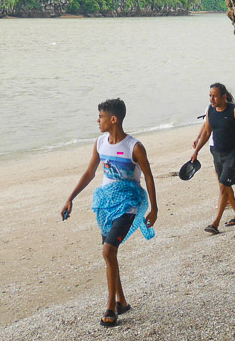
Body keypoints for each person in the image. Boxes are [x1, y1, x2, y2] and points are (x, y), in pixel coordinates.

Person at [61, 98, 158, 328]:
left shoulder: (134, 147)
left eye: (101, 117)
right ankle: (122, 301)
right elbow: (90, 173)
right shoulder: (100, 143)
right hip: (106, 205)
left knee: (108, 251)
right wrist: (70, 197)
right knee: (110, 254)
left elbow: (149, 176)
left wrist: (154, 208)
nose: (98, 120)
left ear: (113, 119)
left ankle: (110, 307)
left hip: (128, 204)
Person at [189, 83, 235, 234]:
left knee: (222, 186)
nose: (211, 99)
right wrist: (196, 151)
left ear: (224, 97)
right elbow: (207, 132)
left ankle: (215, 223)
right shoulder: (210, 111)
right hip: (217, 153)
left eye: (214, 96)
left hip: (233, 154)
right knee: (225, 186)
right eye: (210, 96)